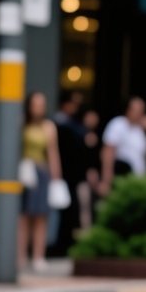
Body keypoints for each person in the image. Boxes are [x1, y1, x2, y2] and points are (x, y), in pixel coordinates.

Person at [19, 92, 61, 271]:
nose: (39, 108)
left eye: (42, 104)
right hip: (25, 172)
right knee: (23, 216)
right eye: (35, 104)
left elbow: (52, 152)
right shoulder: (21, 123)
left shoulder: (49, 126)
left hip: (42, 172)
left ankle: (38, 256)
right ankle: (20, 256)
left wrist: (56, 176)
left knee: (41, 216)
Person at [50, 91, 92, 255]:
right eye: (73, 103)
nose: (75, 107)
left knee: (72, 211)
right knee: (65, 211)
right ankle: (59, 246)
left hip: (73, 174)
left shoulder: (72, 123)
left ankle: (65, 245)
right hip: (63, 174)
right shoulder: (60, 123)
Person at [100, 96, 146, 191]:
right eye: (137, 110)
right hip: (122, 178)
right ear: (129, 110)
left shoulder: (139, 129)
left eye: (142, 111)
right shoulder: (118, 124)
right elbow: (108, 152)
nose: (140, 114)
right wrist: (106, 180)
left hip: (139, 181)